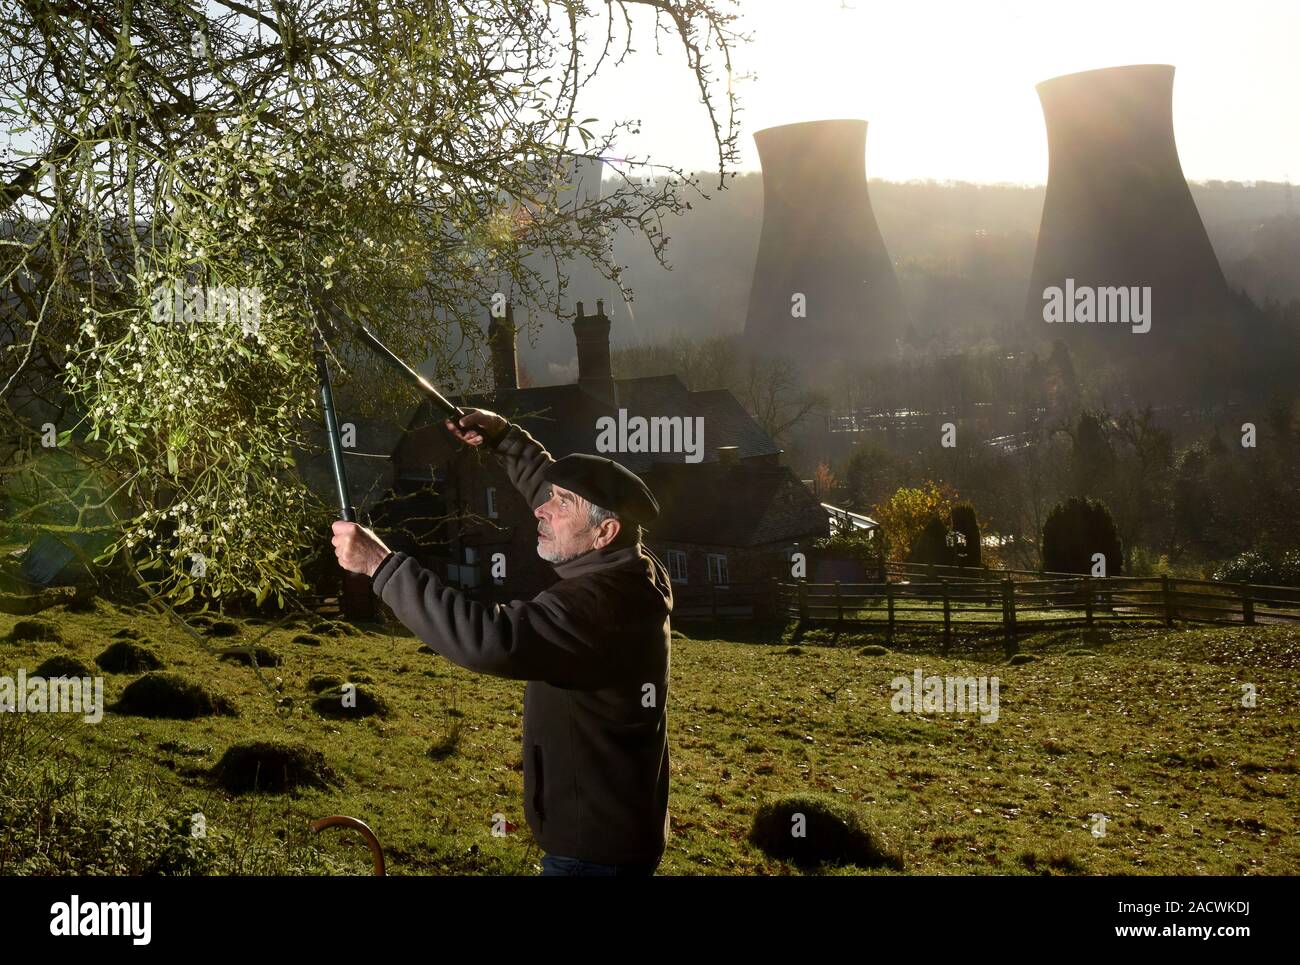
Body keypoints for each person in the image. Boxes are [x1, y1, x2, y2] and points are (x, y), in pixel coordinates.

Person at [331, 407, 672, 876]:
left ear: (604, 532)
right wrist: (505, 439)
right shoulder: (630, 565)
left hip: (591, 855)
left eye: (561, 503)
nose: (541, 509)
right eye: (551, 495)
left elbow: (489, 639)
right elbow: (562, 502)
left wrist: (380, 565)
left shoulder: (599, 608)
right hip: (612, 835)